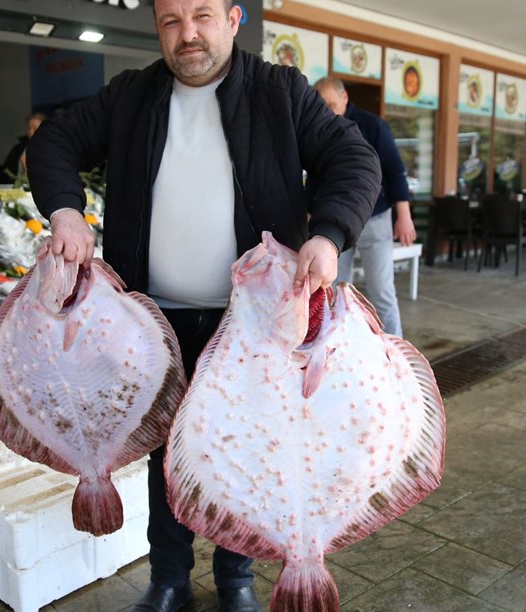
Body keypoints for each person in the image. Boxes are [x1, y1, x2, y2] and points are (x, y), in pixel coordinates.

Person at [26, 0, 381, 610]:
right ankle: (168, 578)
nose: (186, 34)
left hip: (249, 325)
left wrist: (327, 234)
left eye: (201, 16)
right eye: (170, 20)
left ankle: (235, 577)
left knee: (240, 447)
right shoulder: (131, 96)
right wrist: (64, 209)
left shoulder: (279, 90)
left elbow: (353, 159)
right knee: (168, 455)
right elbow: (54, 140)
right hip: (151, 321)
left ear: (234, 18)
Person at [313, 76, 415, 337]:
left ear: (345, 97)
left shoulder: (372, 125)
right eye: (321, 104)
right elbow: (314, 177)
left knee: (381, 290)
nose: (327, 109)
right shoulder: (318, 128)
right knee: (332, 289)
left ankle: (395, 353)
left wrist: (404, 216)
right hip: (334, 220)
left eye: (331, 103)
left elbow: (395, 171)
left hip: (375, 217)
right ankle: (334, 350)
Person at [2, 112, 47, 179]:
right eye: (29, 128)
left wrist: (25, 167)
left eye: (35, 128)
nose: (31, 132)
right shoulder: (18, 149)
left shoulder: (51, 150)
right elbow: (6, 171)